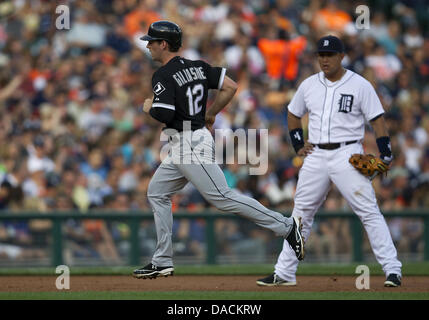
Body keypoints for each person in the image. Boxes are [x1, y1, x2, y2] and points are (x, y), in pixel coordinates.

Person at [132, 20, 304, 279]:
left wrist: (149, 107)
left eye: (152, 42)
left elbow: (163, 113)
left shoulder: (163, 74)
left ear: (163, 44)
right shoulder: (198, 66)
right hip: (186, 140)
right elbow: (231, 86)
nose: (149, 46)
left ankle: (286, 226)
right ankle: (162, 260)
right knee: (157, 192)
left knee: (221, 197)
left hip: (189, 141)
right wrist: (211, 113)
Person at [256, 35, 402, 288]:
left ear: (341, 56)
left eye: (330, 55)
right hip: (316, 155)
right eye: (321, 55)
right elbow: (292, 113)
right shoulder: (309, 84)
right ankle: (285, 273)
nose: (324, 59)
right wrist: (298, 143)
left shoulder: (359, 84)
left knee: (368, 211)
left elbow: (377, 120)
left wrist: (385, 152)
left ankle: (392, 270)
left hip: (348, 153)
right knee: (301, 214)